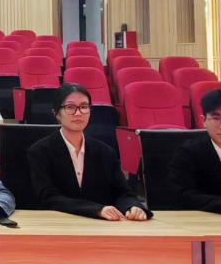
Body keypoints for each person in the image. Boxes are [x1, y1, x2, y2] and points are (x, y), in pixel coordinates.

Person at [28, 84, 151, 221]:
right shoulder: (40, 151)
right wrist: (96, 210)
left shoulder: (105, 152)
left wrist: (133, 206)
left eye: (84, 106)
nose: (78, 113)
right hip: (57, 224)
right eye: (70, 107)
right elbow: (48, 197)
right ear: (56, 114)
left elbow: (123, 193)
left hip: (100, 227)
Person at [169, 88, 221, 217]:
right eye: (216, 118)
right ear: (204, 120)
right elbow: (184, 197)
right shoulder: (187, 153)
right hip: (201, 222)